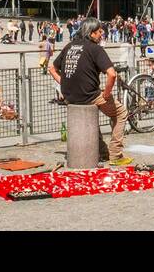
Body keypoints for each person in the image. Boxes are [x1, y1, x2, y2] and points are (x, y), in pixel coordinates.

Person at [47, 18, 131, 166]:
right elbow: (112, 74)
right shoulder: (96, 49)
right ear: (92, 33)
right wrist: (106, 94)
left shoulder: (70, 46)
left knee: (93, 117)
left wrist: (64, 82)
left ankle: (102, 151)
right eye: (99, 31)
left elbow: (52, 69)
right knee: (121, 113)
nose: (102, 33)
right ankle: (115, 154)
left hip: (69, 96)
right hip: (89, 95)